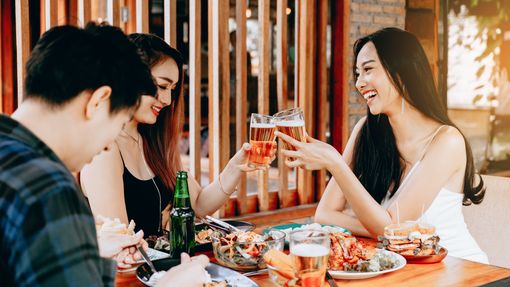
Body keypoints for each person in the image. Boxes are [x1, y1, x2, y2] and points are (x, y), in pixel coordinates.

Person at [0, 23, 209, 286]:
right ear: (98, 101)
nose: (109, 146)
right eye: (117, 123)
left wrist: (87, 250)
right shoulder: (47, 187)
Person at [276, 27, 488, 263]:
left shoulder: (447, 141)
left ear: (402, 72)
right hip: (403, 269)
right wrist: (383, 229)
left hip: (462, 270)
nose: (359, 83)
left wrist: (335, 163)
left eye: (368, 70)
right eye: (357, 73)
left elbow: (389, 228)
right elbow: (325, 215)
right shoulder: (367, 130)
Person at [80, 33, 269, 237]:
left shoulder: (151, 140)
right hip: (132, 267)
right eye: (162, 86)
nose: (168, 100)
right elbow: (119, 242)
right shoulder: (104, 151)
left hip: (157, 265)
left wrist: (236, 167)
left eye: (172, 89)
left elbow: (198, 204)